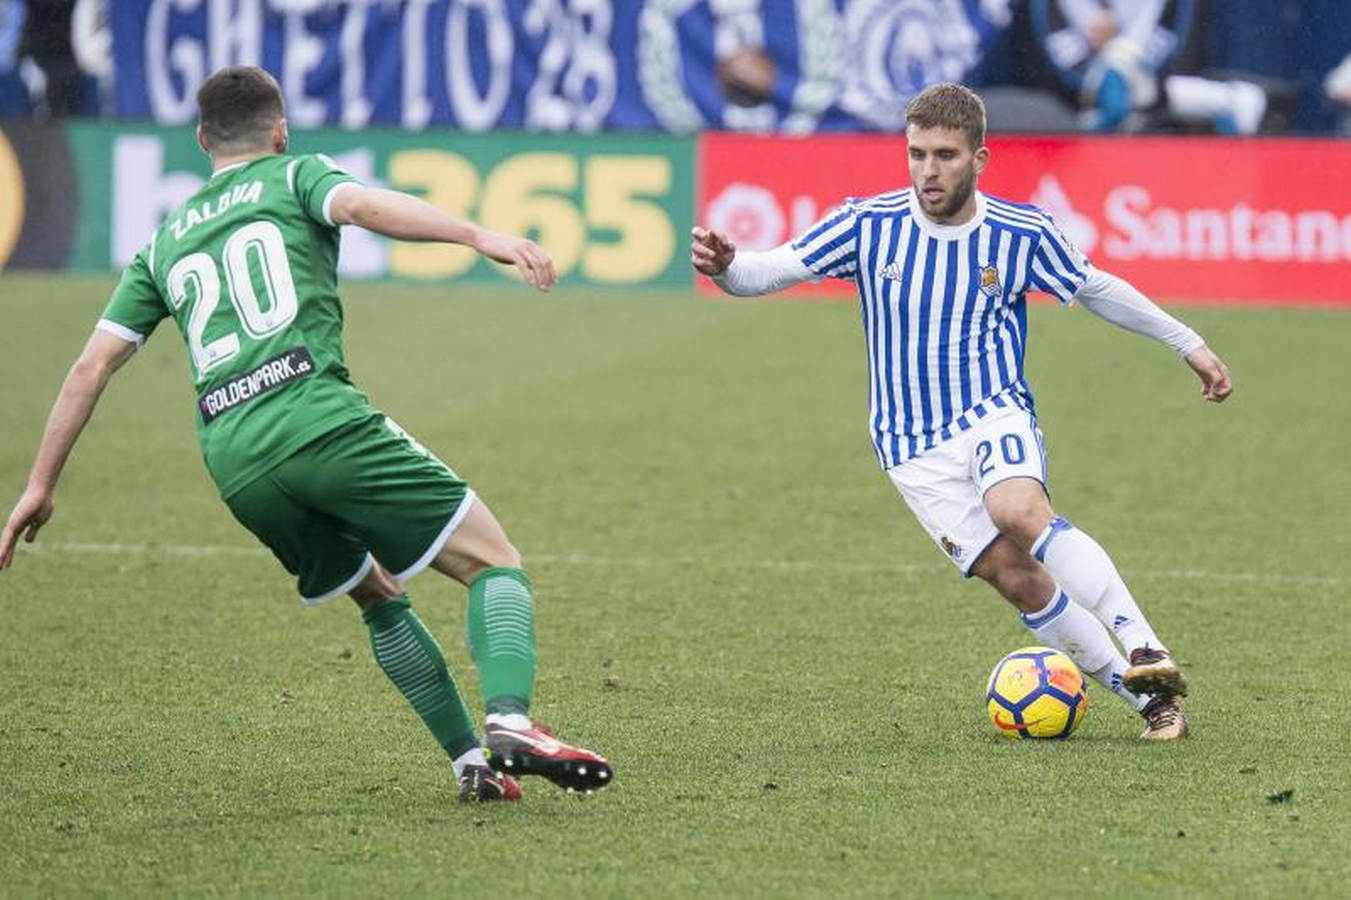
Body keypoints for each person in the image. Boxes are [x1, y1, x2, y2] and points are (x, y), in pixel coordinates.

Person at [0, 65, 613, 800]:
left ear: (201, 140)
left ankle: (470, 766)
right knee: (492, 561)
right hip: (316, 418)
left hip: (234, 461)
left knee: (378, 595)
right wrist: (480, 234)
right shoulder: (295, 178)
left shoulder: (162, 243)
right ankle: (510, 720)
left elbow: (88, 368)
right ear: (280, 129)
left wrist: (39, 485)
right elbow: (364, 207)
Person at [690, 82, 1232, 740]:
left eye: (944, 155)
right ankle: (1150, 703)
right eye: (916, 154)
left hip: (990, 413)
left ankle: (1142, 643)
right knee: (1017, 579)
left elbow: (1097, 289)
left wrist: (1188, 344)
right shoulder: (867, 224)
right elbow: (763, 272)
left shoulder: (1018, 231)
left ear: (978, 159)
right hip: (909, 445)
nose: (927, 170)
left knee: (1019, 512)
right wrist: (725, 267)